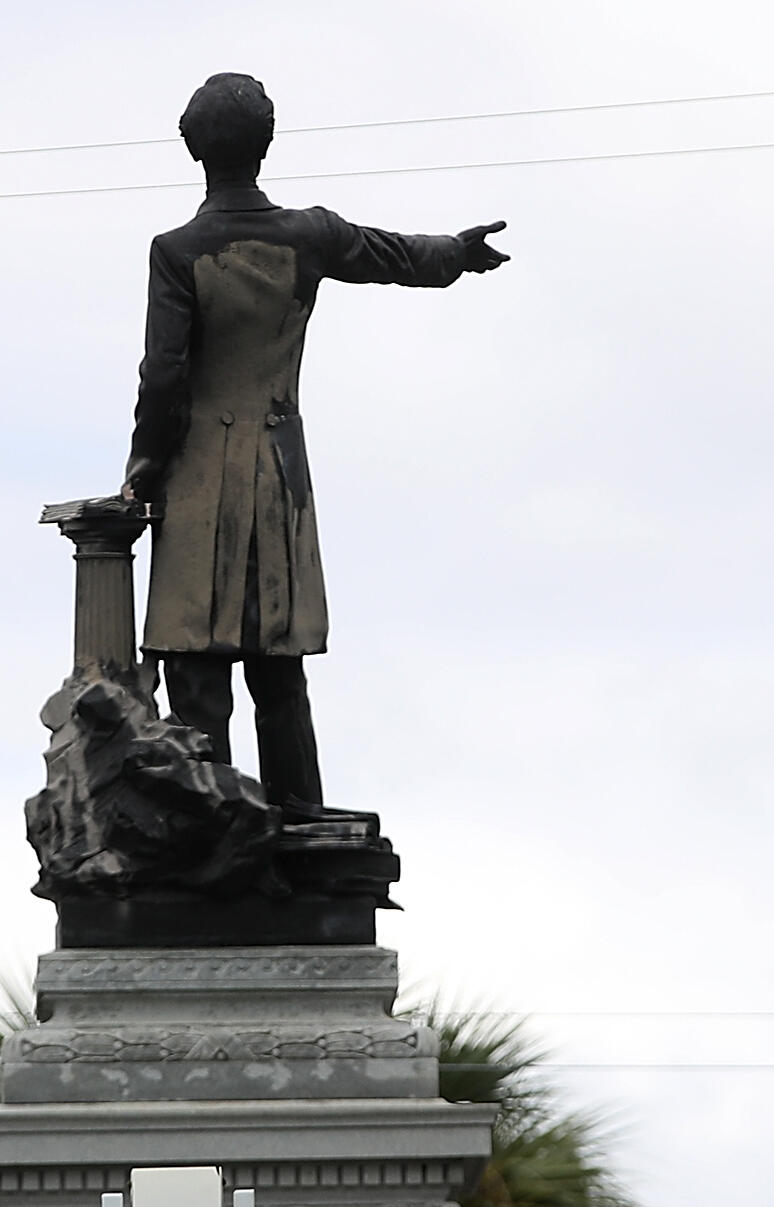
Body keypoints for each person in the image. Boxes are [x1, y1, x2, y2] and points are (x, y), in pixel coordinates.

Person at [120, 73, 510, 811]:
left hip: (198, 482)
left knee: (198, 674)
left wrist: (142, 467)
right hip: (278, 475)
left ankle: (213, 825)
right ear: (266, 146)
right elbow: (394, 255)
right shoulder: (308, 235)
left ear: (192, 148)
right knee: (279, 668)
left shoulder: (176, 251)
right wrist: (458, 253)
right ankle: (298, 822)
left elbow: (163, 378)